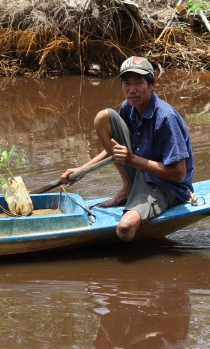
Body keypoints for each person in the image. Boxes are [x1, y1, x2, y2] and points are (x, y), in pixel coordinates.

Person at [59, 56, 194, 241]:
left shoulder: (165, 118)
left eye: (138, 83)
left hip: (166, 186)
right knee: (103, 117)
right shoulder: (128, 108)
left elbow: (179, 174)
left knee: (125, 228)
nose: (131, 90)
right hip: (140, 172)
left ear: (151, 84)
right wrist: (82, 170)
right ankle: (128, 186)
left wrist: (132, 160)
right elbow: (116, 150)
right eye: (126, 84)